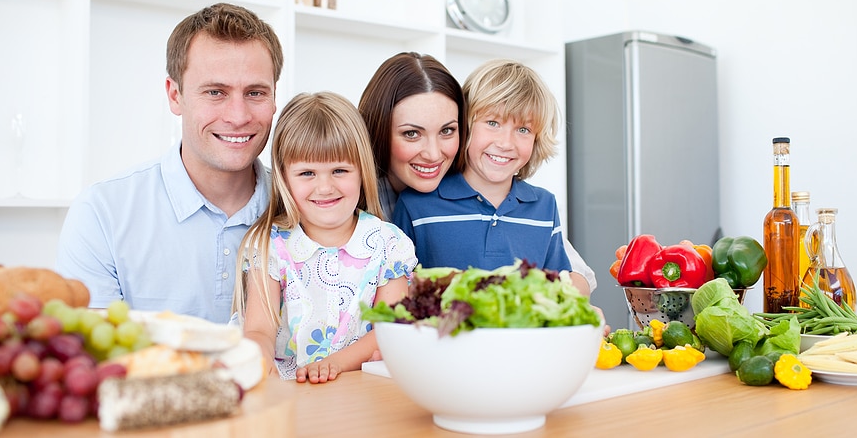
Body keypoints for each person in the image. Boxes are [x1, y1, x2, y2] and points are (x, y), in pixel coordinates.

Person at [56, 3, 282, 323]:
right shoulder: (102, 213)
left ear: (275, 98)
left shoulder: (308, 207)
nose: (238, 116)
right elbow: (93, 356)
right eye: (215, 92)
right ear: (175, 96)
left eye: (256, 93)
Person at [233, 91, 417, 384]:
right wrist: (258, 355)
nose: (325, 187)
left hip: (363, 396)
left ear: (361, 171)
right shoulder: (270, 246)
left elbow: (391, 330)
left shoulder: (388, 244)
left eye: (339, 170)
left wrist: (334, 364)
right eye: (307, 173)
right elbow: (259, 329)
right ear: (283, 177)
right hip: (290, 396)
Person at [393, 59, 592, 296]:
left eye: (523, 130)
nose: (506, 143)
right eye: (492, 123)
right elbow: (397, 292)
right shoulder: (416, 205)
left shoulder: (544, 207)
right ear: (464, 125)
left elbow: (559, 289)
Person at [357, 52, 465, 218]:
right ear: (379, 132)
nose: (433, 154)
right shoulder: (346, 205)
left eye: (446, 131)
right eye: (412, 133)